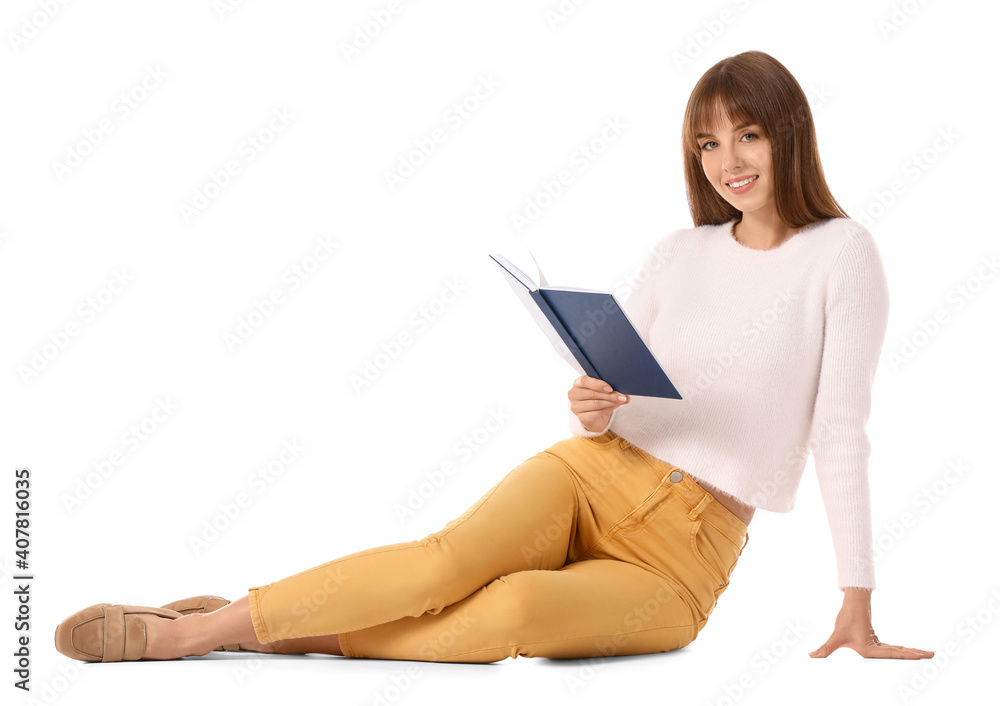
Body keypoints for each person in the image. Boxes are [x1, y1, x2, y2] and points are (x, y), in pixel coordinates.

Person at [55, 50, 935, 664]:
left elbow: (842, 434)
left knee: (502, 617)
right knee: (444, 565)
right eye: (708, 143)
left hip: (683, 560)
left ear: (788, 132)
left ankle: (253, 627)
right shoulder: (682, 251)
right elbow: (615, 388)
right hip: (598, 472)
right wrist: (591, 404)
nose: (727, 162)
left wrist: (856, 600)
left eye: (747, 135)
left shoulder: (842, 253)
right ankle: (189, 635)